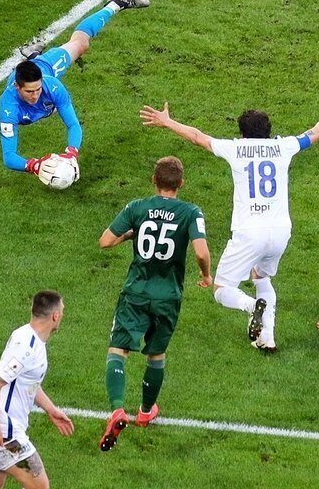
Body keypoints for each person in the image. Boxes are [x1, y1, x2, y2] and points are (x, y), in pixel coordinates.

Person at [139, 80, 319, 352]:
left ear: (242, 134)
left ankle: (251, 306)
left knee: (221, 289)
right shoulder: (283, 147)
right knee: (260, 276)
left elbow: (198, 137)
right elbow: (317, 132)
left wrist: (167, 122)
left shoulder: (236, 149)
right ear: (269, 131)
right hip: (280, 231)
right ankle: (267, 340)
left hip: (249, 231)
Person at [97, 156, 212, 452]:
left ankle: (117, 409)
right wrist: (206, 275)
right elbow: (201, 252)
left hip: (136, 291)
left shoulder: (137, 207)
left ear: (153, 181)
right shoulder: (191, 212)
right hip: (168, 297)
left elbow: (105, 241)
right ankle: (146, 412)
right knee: (156, 354)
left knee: (118, 350)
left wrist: (132, 234)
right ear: (181, 183)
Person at [0, 0, 150, 178]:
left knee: (81, 44)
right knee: (46, 105)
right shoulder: (8, 108)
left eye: (38, 89)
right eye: (30, 92)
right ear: (17, 87)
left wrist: (71, 154)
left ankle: (116, 3)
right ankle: (33, 56)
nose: (35, 95)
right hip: (35, 88)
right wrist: (34, 165)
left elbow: (73, 124)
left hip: (46, 67)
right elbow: (9, 157)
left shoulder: (52, 86)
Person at [0, 290, 74, 489]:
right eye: (62, 311)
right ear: (55, 316)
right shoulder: (27, 348)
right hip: (5, 430)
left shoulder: (26, 336)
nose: (62, 315)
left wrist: (51, 409)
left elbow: (27, 383)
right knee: (40, 486)